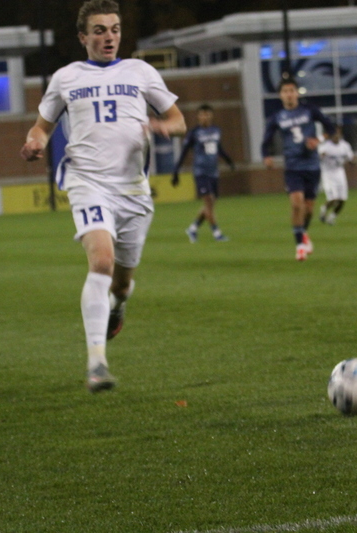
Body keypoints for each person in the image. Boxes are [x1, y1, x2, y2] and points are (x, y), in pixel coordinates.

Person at [20, 0, 186, 392]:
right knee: (102, 261)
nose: (108, 37)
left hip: (133, 191)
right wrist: (34, 141)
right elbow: (42, 127)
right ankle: (97, 363)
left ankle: (119, 305)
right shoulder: (66, 77)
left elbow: (179, 121)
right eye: (99, 30)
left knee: (122, 282)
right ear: (83, 38)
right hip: (87, 181)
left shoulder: (141, 71)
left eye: (113, 29)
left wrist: (163, 127)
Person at [262, 78, 336, 261]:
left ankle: (303, 233)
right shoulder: (277, 117)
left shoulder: (309, 110)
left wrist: (318, 140)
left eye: (292, 90)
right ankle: (300, 245)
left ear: (297, 92)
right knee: (296, 204)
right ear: (280, 95)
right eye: (285, 91)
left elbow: (331, 127)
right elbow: (266, 141)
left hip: (312, 165)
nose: (289, 94)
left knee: (309, 209)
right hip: (292, 167)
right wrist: (267, 156)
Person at [172, 104, 235, 243]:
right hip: (201, 172)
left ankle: (193, 228)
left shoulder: (216, 130)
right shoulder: (194, 133)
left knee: (210, 205)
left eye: (207, 114)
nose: (204, 117)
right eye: (202, 114)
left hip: (213, 172)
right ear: (198, 116)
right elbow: (184, 153)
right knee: (208, 202)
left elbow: (219, 149)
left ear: (211, 115)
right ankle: (217, 233)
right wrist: (176, 171)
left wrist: (229, 161)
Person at [318, 125, 354, 225]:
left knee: (342, 199)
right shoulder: (325, 147)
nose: (336, 135)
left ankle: (331, 217)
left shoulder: (345, 146)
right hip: (328, 174)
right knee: (333, 198)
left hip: (340, 173)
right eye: (334, 133)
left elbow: (351, 157)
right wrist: (321, 156)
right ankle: (324, 208)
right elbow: (318, 158)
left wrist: (351, 160)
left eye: (338, 133)